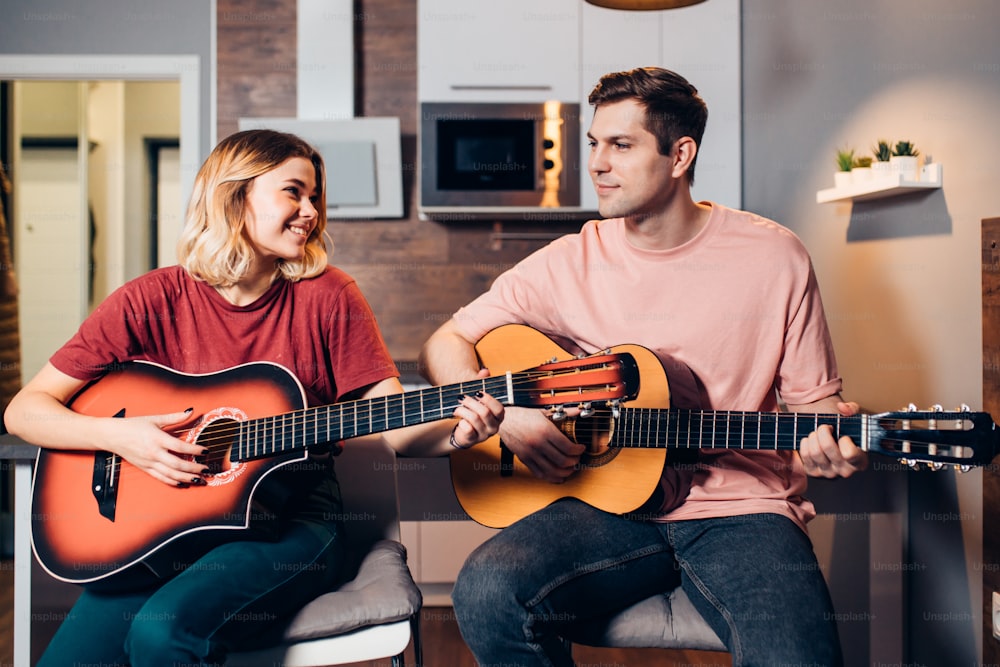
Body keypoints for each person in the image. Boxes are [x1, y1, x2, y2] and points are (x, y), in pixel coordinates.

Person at [418, 67, 867, 667]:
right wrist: (505, 417)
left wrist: (835, 444)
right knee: (487, 591)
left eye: (621, 146)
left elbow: (814, 411)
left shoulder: (775, 256)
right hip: (609, 508)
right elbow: (447, 340)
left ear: (680, 154)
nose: (598, 164)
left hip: (743, 512)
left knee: (799, 658)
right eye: (594, 145)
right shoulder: (570, 260)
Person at [3, 129, 504, 666]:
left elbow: (392, 424)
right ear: (234, 197)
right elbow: (24, 410)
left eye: (315, 196)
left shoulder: (329, 297)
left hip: (289, 526)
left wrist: (458, 430)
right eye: (293, 192)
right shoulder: (150, 299)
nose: (310, 211)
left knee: (160, 633)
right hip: (162, 532)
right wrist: (121, 437)